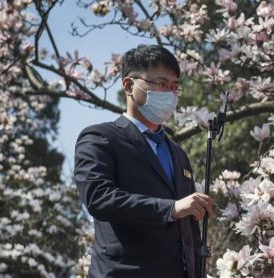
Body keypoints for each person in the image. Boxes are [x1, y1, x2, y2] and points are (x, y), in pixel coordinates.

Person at [74, 44, 213, 277]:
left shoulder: (178, 154)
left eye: (174, 87)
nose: (169, 94)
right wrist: (171, 208)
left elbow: (190, 228)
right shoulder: (100, 138)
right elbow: (99, 198)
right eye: (161, 84)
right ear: (129, 85)